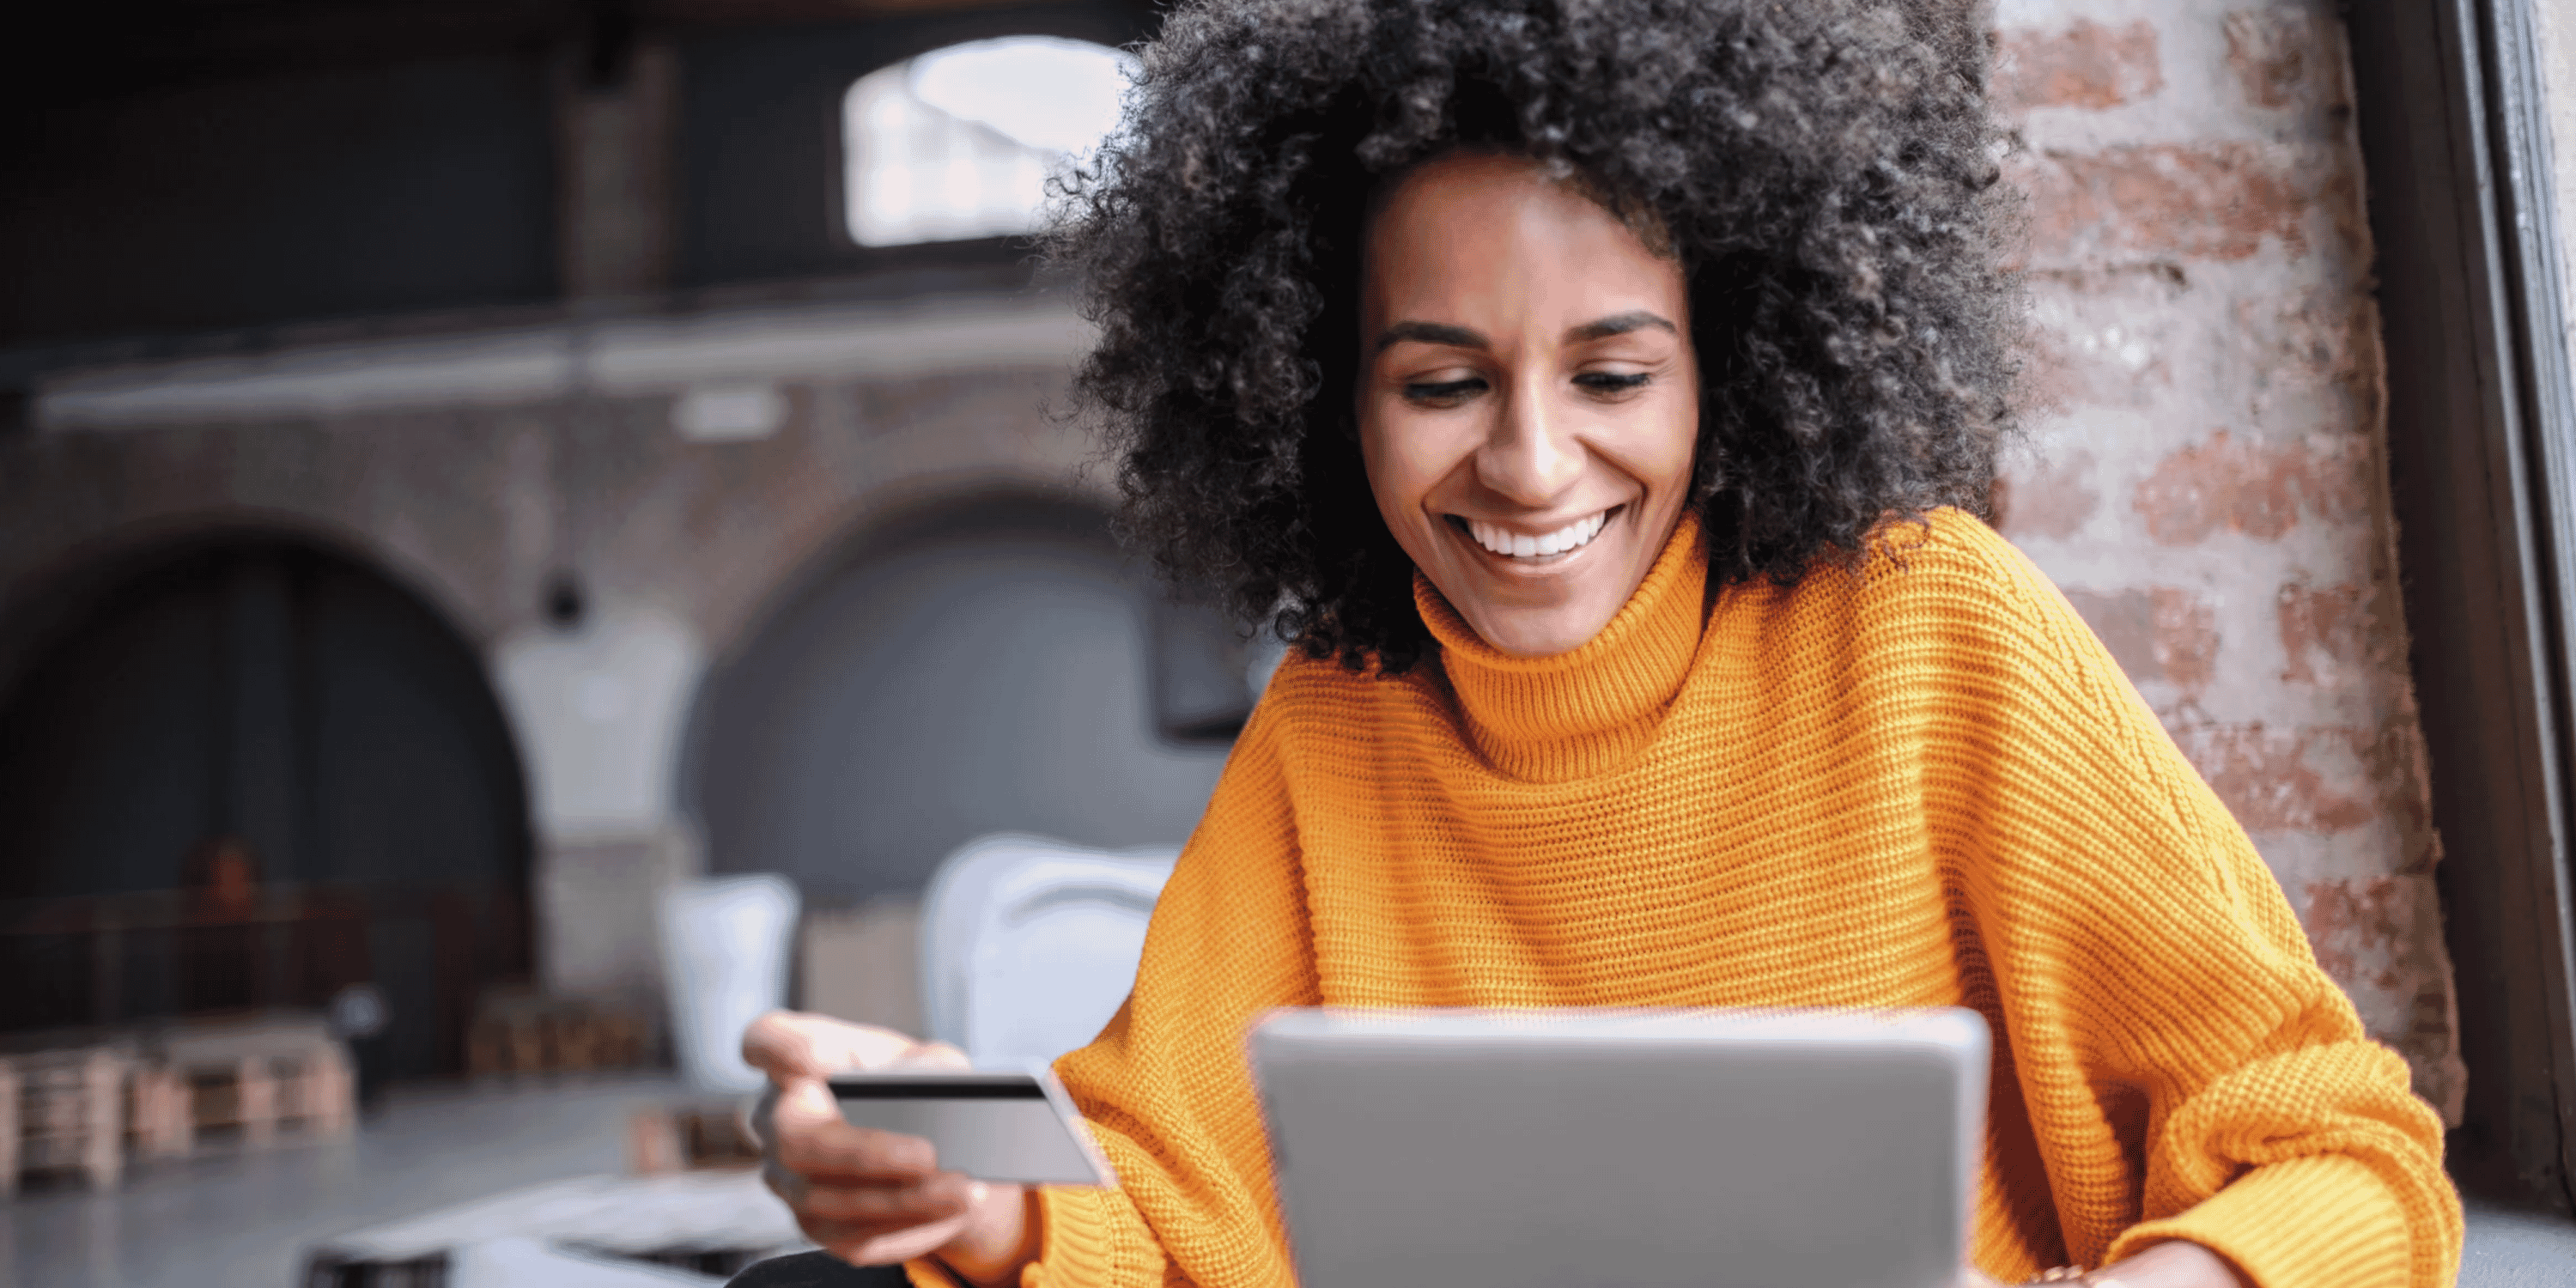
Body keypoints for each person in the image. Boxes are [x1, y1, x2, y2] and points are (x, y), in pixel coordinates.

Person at [744, 2, 2463, 1285]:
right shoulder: (1336, 721)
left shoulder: (1930, 627)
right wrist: (979, 1189)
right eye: (1441, 382)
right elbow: (1170, 1206)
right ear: (1321, 398)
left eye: (1614, 374)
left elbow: (2346, 1151)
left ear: (1732, 364)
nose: (1531, 464)